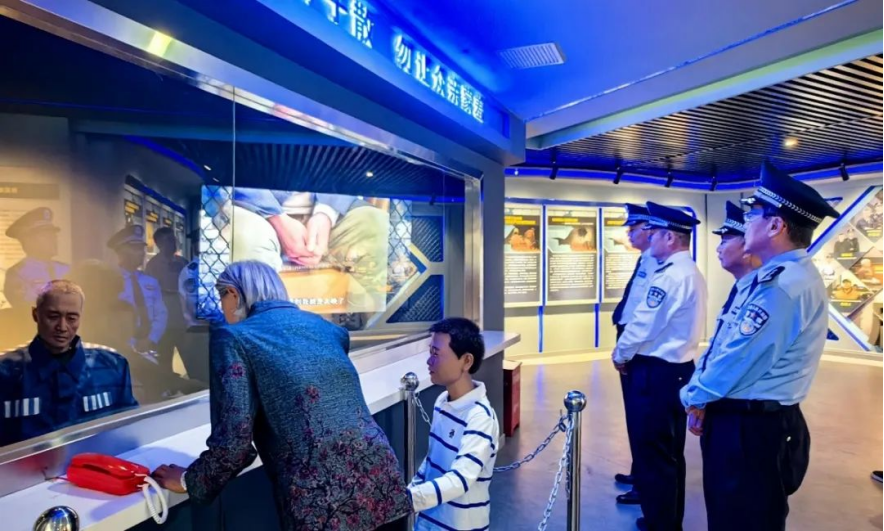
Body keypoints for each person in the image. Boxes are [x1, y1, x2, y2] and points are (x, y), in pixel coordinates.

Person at [152, 261, 409, 530]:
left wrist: (190, 480)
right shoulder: (326, 328)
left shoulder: (234, 338)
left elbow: (234, 444)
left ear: (233, 293)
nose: (221, 308)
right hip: (384, 483)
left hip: (323, 503)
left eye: (221, 297)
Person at [680, 160, 841, 531]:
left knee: (743, 519)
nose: (747, 222)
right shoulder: (775, 277)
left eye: (754, 214)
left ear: (775, 226)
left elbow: (740, 357)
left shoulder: (782, 285)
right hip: (747, 421)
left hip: (752, 428)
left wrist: (695, 396)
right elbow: (727, 344)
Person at [612, 202, 706, 531]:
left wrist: (621, 354)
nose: (649, 238)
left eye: (654, 233)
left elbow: (643, 324)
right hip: (676, 371)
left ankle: (660, 523)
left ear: (669, 237)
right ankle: (666, 519)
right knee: (669, 453)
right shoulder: (688, 272)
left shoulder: (669, 276)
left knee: (655, 452)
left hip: (656, 372)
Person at [0, 280, 137, 446]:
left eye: (71, 318)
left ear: (80, 318)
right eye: (53, 316)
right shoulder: (5, 372)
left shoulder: (112, 365)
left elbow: (129, 430)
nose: (62, 327)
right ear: (36, 315)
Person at [229, 189, 388, 312]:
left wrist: (326, 213)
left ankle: (360, 320)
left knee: (374, 220)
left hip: (323, 209)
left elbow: (341, 167)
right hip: (256, 209)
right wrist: (275, 217)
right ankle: (264, 328)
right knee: (248, 234)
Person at [408, 318, 498, 530]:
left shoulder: (480, 417)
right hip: (428, 523)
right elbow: (432, 460)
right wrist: (408, 492)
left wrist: (409, 499)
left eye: (436, 354)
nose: (429, 361)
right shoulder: (442, 402)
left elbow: (460, 479)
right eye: (430, 352)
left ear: (466, 361)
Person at [684, 201, 760, 439]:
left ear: (747, 246)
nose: (718, 248)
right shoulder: (741, 287)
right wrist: (699, 395)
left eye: (725, 240)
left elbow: (736, 355)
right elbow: (717, 347)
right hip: (719, 400)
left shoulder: (761, 291)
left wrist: (698, 397)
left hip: (740, 409)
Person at [610, 203, 654, 506]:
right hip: (631, 345)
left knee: (643, 419)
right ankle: (639, 472)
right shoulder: (646, 260)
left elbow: (644, 316)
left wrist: (625, 350)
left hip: (639, 350)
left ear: (649, 230)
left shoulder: (658, 266)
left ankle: (645, 483)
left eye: (633, 228)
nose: (629, 233)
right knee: (635, 416)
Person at [108, 225, 167, 354]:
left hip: (149, 347)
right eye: (135, 248)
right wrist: (130, 344)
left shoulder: (150, 282)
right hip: (122, 347)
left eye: (142, 248)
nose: (142, 253)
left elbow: (161, 313)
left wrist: (151, 339)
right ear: (121, 252)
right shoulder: (110, 281)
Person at [2, 207, 70, 309]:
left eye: (53, 235)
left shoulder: (66, 269)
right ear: (29, 241)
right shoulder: (17, 273)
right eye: (46, 236)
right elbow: (24, 308)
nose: (53, 239)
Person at [145, 227, 190, 371]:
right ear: (159, 244)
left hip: (184, 322)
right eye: (169, 240)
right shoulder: (153, 266)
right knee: (164, 362)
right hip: (164, 324)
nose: (174, 242)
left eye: (174, 239)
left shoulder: (183, 263)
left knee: (191, 361)